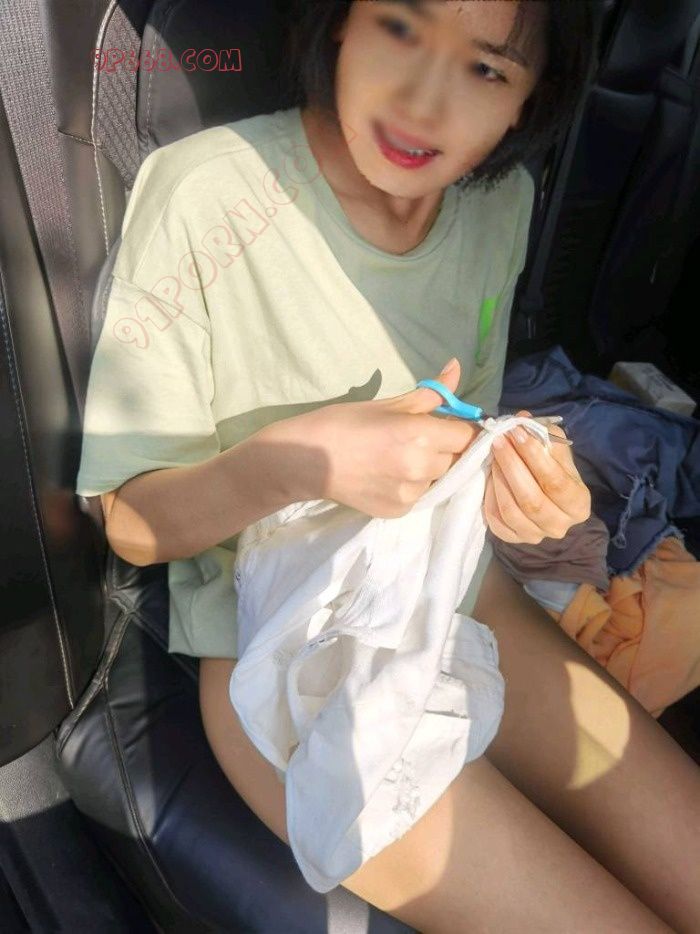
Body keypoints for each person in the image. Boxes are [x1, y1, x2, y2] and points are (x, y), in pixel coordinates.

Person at [75, 1, 700, 931]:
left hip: (466, 599)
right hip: (285, 658)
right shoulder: (205, 192)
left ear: (531, 99)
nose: (422, 101)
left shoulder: (500, 206)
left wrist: (527, 484)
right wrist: (304, 462)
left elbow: (468, 420)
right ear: (340, 22)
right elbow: (128, 520)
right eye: (400, 28)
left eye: (486, 68)